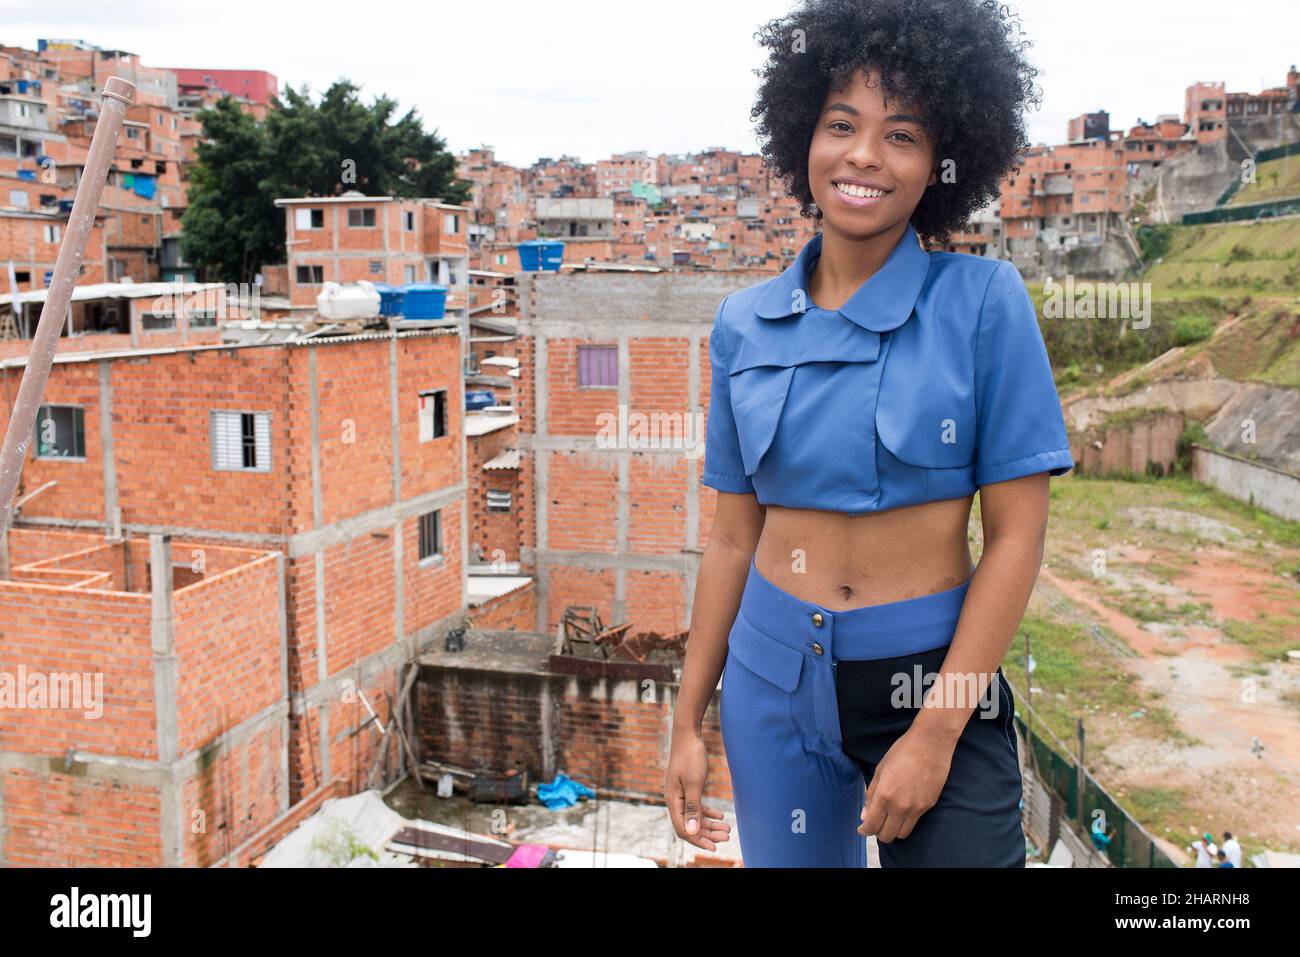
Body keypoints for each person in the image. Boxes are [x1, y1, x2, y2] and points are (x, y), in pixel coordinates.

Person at [664, 0, 1073, 867]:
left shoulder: (983, 303)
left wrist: (933, 733)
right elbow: (733, 537)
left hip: (932, 678)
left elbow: (1017, 536)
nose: (862, 155)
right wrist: (688, 720)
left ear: (939, 166)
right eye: (841, 124)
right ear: (801, 138)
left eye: (902, 135)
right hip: (772, 682)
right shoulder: (744, 324)